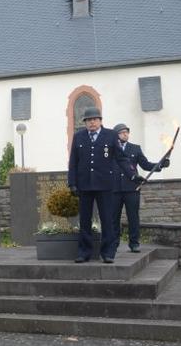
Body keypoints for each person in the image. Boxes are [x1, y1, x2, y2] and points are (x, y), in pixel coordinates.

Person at [67, 107, 134, 263]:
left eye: (94, 119)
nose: (91, 122)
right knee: (84, 220)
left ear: (100, 120)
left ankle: (108, 252)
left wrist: (133, 175)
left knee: (107, 220)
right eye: (88, 120)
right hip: (84, 185)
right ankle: (84, 252)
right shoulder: (78, 137)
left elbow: (122, 159)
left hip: (105, 185)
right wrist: (72, 183)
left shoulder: (110, 135)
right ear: (85, 122)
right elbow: (73, 162)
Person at [111, 123, 168, 253]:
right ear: (116, 135)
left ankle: (134, 243)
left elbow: (146, 165)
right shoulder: (111, 149)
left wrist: (160, 165)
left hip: (132, 188)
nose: (125, 134)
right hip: (114, 189)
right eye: (121, 132)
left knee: (133, 217)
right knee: (113, 218)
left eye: (126, 132)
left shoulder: (135, 148)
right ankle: (113, 243)